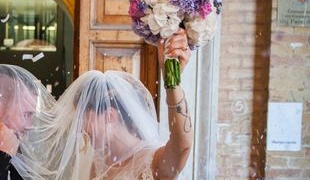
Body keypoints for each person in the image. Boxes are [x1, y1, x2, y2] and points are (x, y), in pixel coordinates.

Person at [16, 28, 193, 180]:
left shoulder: (153, 161)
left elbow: (182, 146)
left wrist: (173, 83)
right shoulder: (98, 163)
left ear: (109, 115)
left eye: (84, 118)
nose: (79, 129)